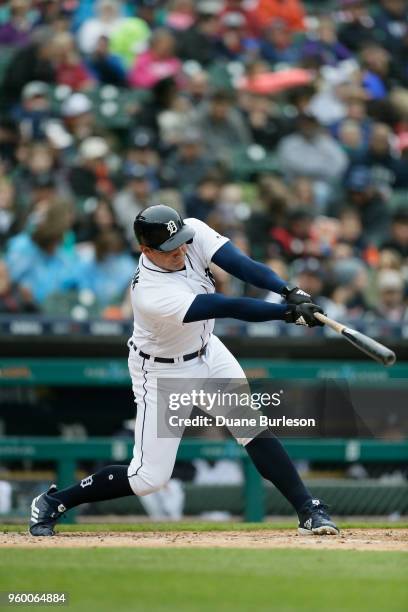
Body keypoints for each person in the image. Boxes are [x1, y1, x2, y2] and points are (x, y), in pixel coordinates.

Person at [29, 204, 339, 537]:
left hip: (208, 351)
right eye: (168, 247)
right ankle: (54, 502)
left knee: (252, 428)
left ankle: (308, 510)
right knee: (148, 478)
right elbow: (225, 306)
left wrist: (288, 292)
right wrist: (286, 315)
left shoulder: (190, 231)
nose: (180, 249)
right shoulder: (149, 292)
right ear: (146, 250)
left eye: (182, 241)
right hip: (163, 373)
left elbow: (242, 266)